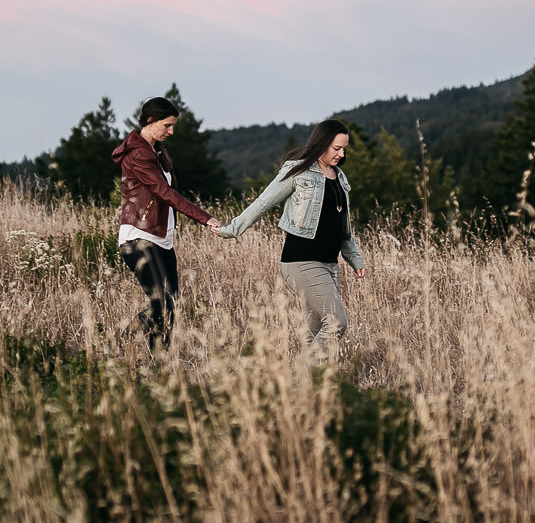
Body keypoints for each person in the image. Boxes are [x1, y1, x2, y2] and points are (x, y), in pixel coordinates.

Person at [218, 119, 366, 362]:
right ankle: (302, 376)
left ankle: (303, 393)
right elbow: (263, 202)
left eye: (344, 149)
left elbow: (343, 227)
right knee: (336, 322)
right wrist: (232, 229)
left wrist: (354, 259)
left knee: (314, 330)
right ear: (322, 143)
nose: (342, 154)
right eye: (336, 148)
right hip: (302, 261)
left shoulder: (340, 178)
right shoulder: (297, 171)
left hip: (330, 264)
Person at [112, 96, 221, 351]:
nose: (171, 132)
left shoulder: (158, 151)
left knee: (170, 305)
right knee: (162, 304)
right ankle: (122, 342)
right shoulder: (138, 154)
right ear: (150, 121)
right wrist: (204, 218)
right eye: (167, 125)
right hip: (138, 236)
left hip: (162, 238)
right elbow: (165, 192)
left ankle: (158, 365)